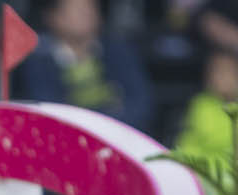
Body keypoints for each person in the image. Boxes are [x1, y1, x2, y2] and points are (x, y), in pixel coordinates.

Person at [15, 0, 152, 131]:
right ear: (53, 17)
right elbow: (50, 109)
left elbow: (140, 102)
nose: (86, 14)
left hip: (119, 134)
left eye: (91, 8)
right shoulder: (39, 60)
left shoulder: (119, 51)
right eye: (76, 10)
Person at [177, 48, 238, 162]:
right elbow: (188, 143)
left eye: (226, 72)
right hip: (203, 168)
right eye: (215, 72)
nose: (219, 78)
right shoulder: (200, 104)